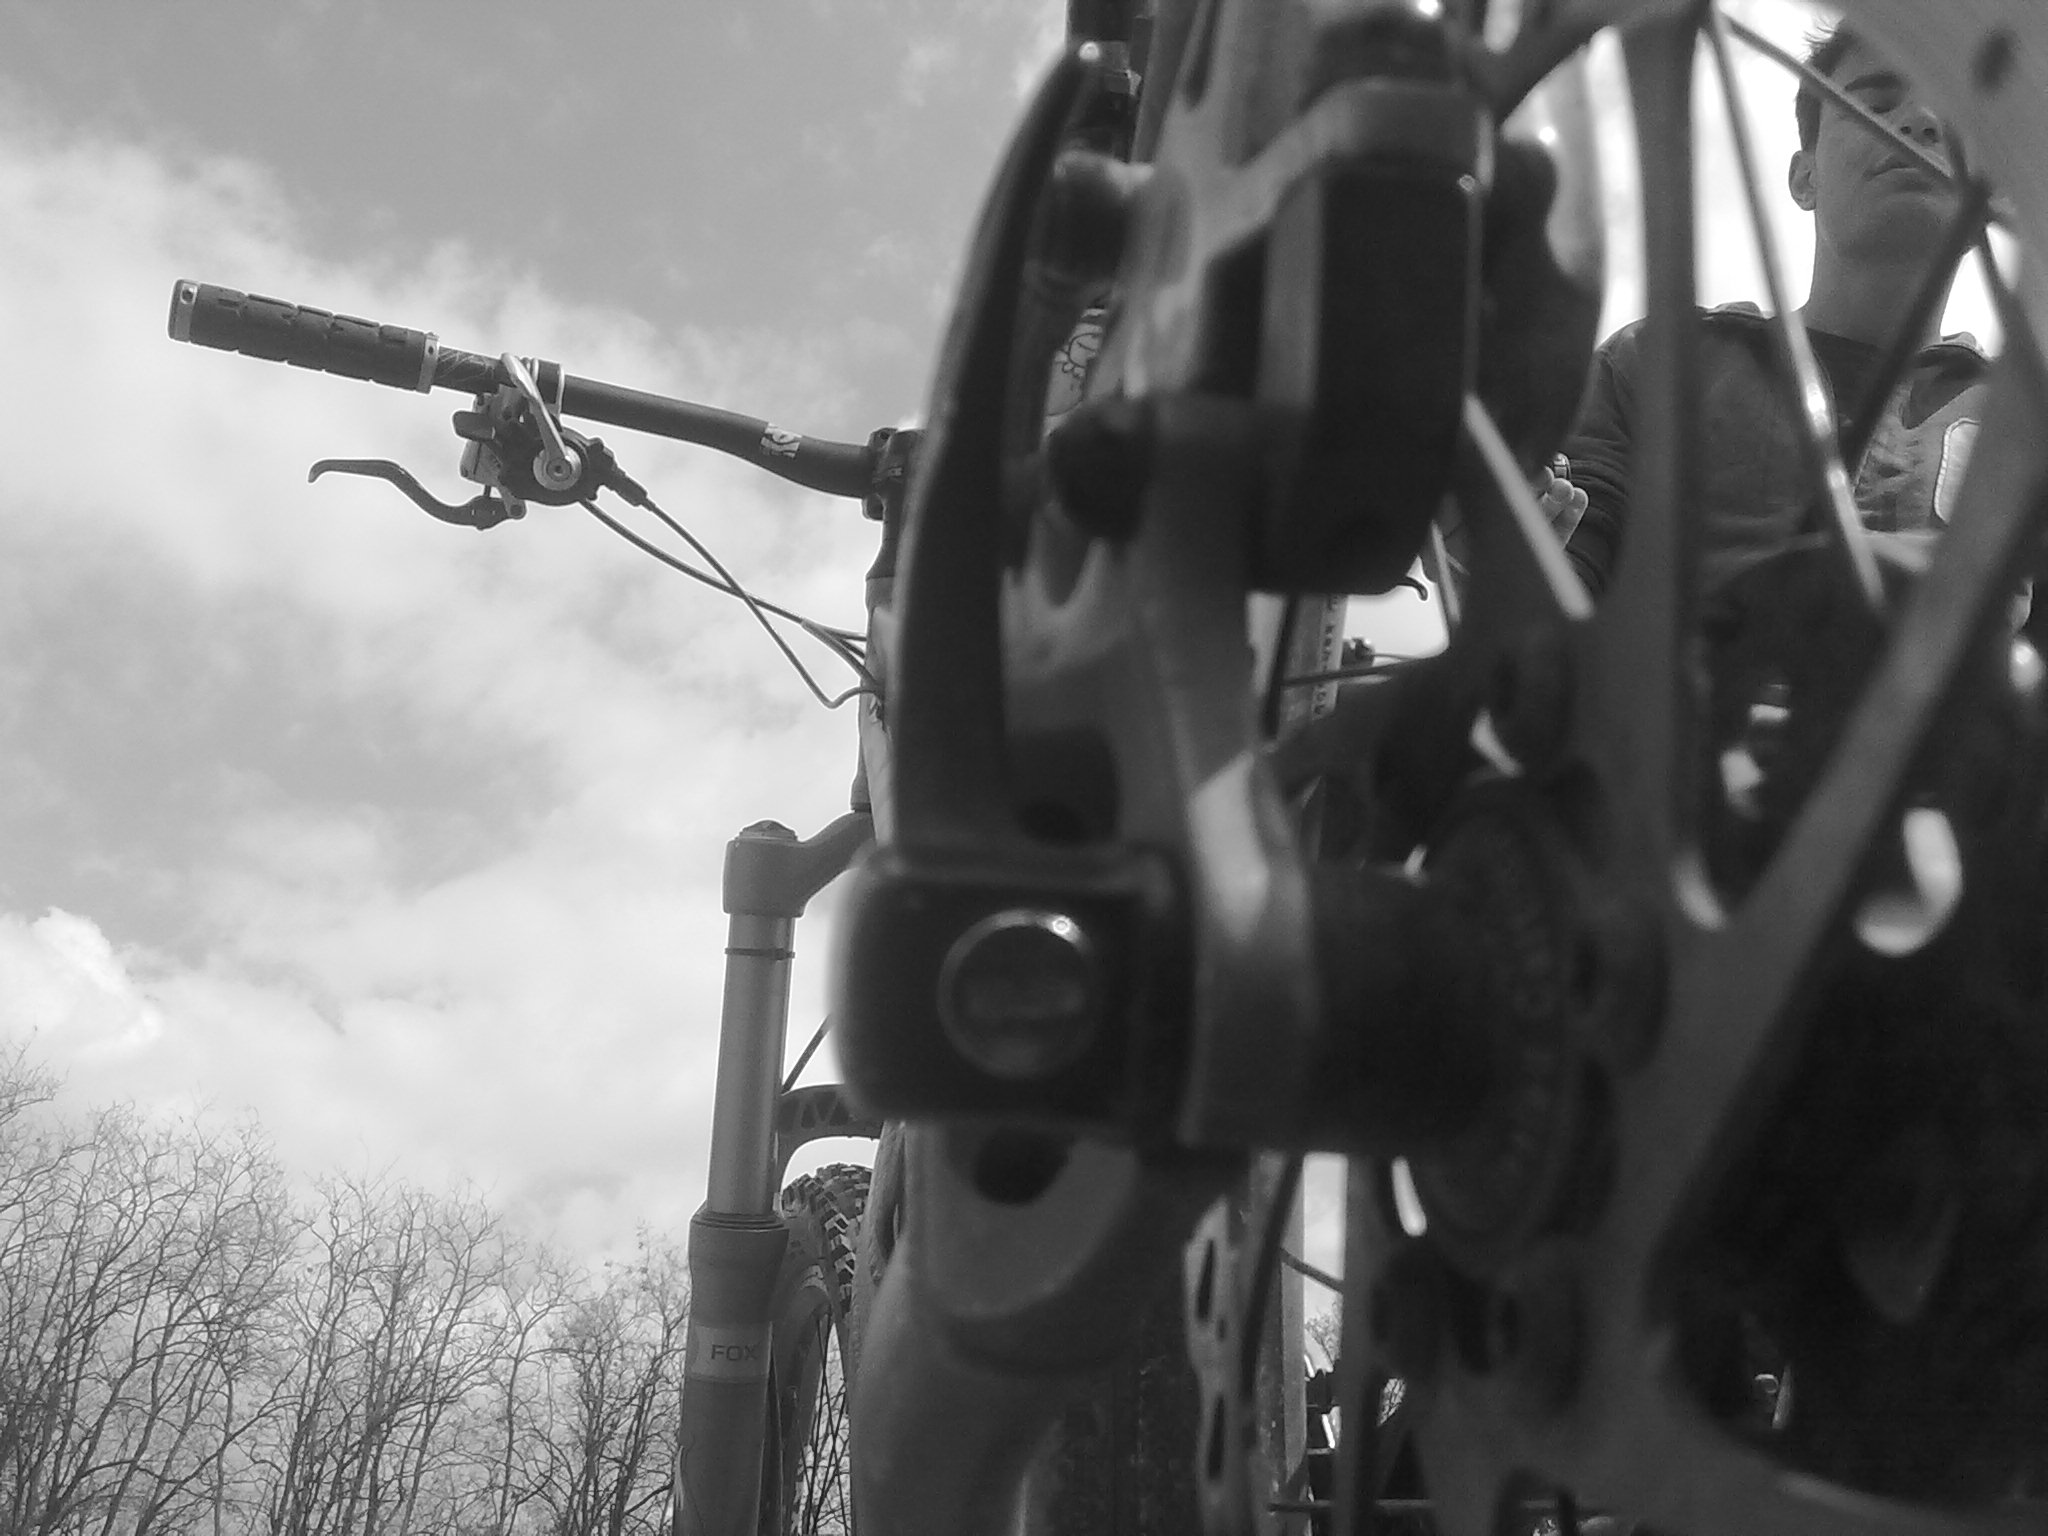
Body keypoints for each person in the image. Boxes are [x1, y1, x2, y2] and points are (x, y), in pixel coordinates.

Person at [1560, 23, 1988, 601]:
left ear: (1995, 199)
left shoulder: (2024, 425)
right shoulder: (1657, 364)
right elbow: (1564, 567)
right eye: (1876, 104)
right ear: (1805, 179)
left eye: (1955, 114)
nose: (1921, 119)